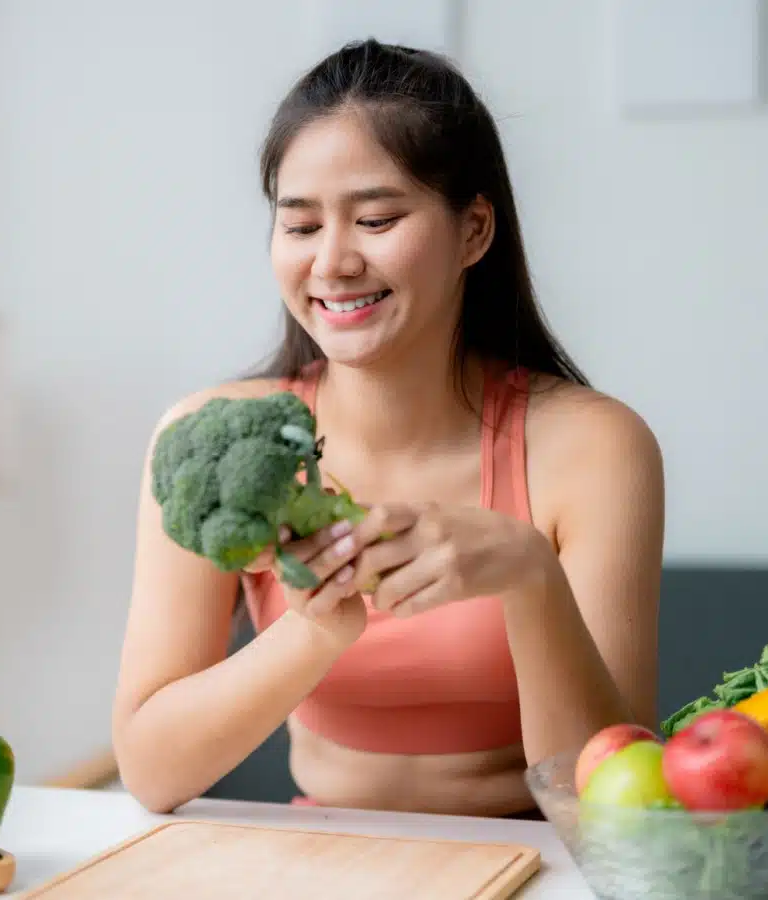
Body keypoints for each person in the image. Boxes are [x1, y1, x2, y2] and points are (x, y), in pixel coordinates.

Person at [111, 39, 664, 819]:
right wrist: (316, 629)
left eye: (375, 219)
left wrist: (528, 573)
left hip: (535, 868)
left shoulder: (595, 448)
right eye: (299, 227)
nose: (332, 262)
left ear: (473, 232)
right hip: (317, 867)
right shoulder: (216, 438)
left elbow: (607, 806)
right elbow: (150, 770)